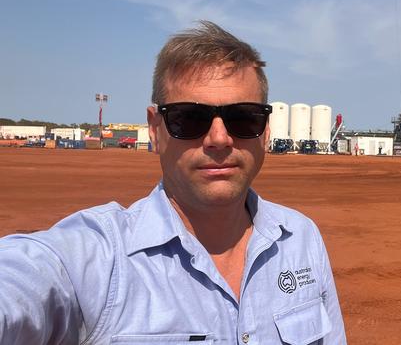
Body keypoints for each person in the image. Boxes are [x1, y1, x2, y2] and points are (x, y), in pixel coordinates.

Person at [0, 21, 346, 344]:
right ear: (155, 129)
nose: (219, 139)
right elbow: (24, 281)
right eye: (189, 118)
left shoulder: (301, 239)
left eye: (243, 117)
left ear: (266, 131)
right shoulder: (100, 258)